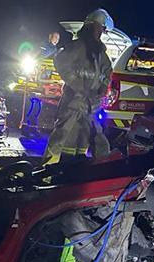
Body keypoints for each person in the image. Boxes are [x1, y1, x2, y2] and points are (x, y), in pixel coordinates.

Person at [42, 8, 114, 166]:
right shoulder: (77, 47)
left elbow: (107, 73)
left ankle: (85, 168)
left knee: (86, 139)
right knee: (62, 136)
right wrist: (79, 87)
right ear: (94, 26)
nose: (101, 32)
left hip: (91, 105)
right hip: (74, 102)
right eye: (101, 28)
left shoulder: (101, 54)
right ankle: (46, 171)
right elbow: (60, 61)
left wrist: (102, 88)